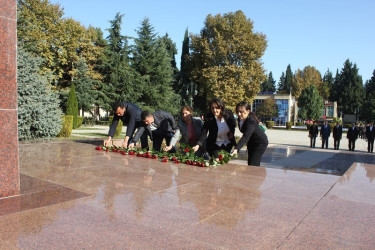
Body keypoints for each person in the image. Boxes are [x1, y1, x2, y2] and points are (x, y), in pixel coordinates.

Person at [231, 101, 268, 166]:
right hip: (251, 142)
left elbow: (245, 136)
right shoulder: (240, 119)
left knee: (254, 163)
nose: (239, 114)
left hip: (260, 142)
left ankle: (257, 175)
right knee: (250, 163)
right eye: (237, 112)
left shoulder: (251, 121)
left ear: (248, 111)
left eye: (241, 112)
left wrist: (237, 148)